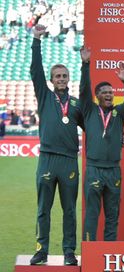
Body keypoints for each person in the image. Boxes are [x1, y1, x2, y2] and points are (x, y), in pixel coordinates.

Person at [29, 24, 83, 266]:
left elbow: (92, 128)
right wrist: (37, 40)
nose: (61, 79)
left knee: (69, 210)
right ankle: (42, 250)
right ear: (51, 80)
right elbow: (35, 70)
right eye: (57, 76)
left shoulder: (76, 103)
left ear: (68, 79)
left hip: (69, 160)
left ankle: (69, 251)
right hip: (48, 158)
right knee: (44, 209)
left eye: (64, 76)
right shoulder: (44, 95)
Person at [80, 45, 124, 242]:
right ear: (97, 96)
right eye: (104, 92)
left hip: (113, 170)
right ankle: (89, 252)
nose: (109, 95)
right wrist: (85, 65)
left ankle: (107, 253)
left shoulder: (119, 113)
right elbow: (84, 90)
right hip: (94, 169)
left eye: (111, 92)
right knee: (92, 215)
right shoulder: (89, 110)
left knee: (113, 216)